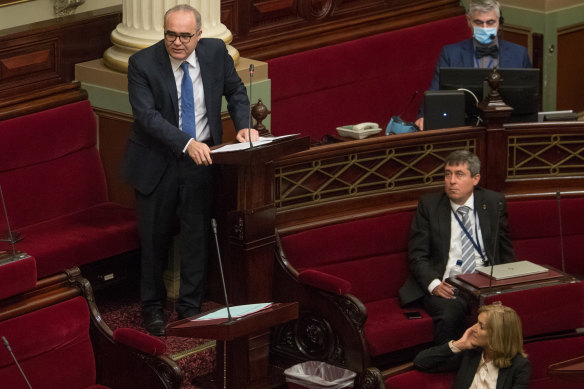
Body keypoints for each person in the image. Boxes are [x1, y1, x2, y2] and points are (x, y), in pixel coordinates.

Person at [122, 4, 259, 336]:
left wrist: (244, 126)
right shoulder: (142, 63)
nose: (177, 42)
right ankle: (153, 309)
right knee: (154, 240)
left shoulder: (214, 52)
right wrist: (186, 143)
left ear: (199, 34)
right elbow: (147, 117)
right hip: (158, 162)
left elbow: (237, 92)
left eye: (185, 35)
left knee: (197, 236)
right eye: (171, 34)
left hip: (201, 162)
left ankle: (190, 310)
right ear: (164, 32)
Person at [399, 150, 514, 345]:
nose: (451, 181)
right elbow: (417, 255)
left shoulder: (493, 202)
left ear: (475, 179)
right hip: (447, 286)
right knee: (450, 314)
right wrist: (434, 285)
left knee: (509, 312)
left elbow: (504, 249)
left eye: (459, 174)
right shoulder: (430, 205)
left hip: (485, 283)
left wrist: (511, 283)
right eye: (447, 174)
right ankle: (444, 363)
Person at [415, 0, 532, 130]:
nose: (485, 28)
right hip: (463, 127)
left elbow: (530, 98)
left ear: (500, 22)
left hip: (507, 127)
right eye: (478, 22)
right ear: (469, 21)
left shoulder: (519, 54)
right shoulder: (450, 53)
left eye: (490, 22)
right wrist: (424, 116)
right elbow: (434, 92)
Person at [414, 302, 531, 389]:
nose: (473, 329)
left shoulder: (519, 366)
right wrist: (458, 345)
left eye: (481, 326)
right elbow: (421, 362)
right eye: (476, 322)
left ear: (498, 335)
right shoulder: (470, 354)